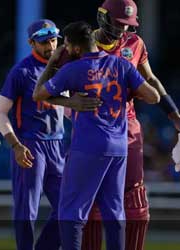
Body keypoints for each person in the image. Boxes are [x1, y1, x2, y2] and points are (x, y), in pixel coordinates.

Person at [33, 21, 160, 250]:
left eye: (67, 46)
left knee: (71, 211)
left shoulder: (74, 69)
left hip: (89, 146)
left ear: (75, 47)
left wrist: (54, 68)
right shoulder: (122, 65)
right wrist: (123, 93)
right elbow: (153, 97)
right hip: (119, 147)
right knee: (114, 211)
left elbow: (38, 94)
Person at [78, 1, 180, 249]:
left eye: (128, 25)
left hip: (127, 125)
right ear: (103, 18)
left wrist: (174, 114)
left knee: (134, 197)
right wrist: (69, 102)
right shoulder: (81, 45)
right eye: (119, 24)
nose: (123, 31)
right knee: (90, 197)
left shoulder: (135, 44)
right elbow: (58, 82)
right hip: (92, 128)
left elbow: (151, 78)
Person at [0, 19, 69, 250]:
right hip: (29, 145)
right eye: (44, 41)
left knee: (68, 208)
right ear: (31, 43)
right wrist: (15, 145)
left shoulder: (64, 68)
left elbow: (67, 109)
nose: (50, 45)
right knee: (27, 211)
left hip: (57, 145)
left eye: (53, 39)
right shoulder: (21, 71)